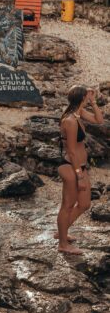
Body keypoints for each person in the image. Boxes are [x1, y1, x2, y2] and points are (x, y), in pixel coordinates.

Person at [57, 85, 104, 255]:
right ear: (82, 97)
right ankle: (63, 243)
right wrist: (79, 176)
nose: (89, 97)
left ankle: (62, 231)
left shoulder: (78, 113)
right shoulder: (70, 120)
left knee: (84, 204)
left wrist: (93, 102)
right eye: (88, 95)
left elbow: (99, 120)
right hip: (70, 167)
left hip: (79, 166)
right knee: (67, 205)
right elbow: (70, 151)